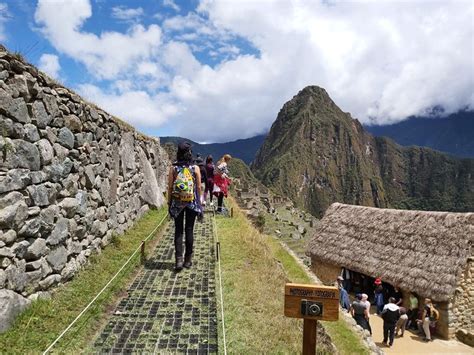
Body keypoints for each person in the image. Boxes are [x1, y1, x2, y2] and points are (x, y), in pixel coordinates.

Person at [167, 142, 203, 271]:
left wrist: (169, 203)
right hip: (191, 203)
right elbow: (198, 187)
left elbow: (170, 187)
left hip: (177, 203)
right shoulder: (195, 168)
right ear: (189, 153)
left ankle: (178, 261)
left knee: (178, 230)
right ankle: (188, 260)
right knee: (189, 230)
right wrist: (199, 203)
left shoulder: (173, 168)